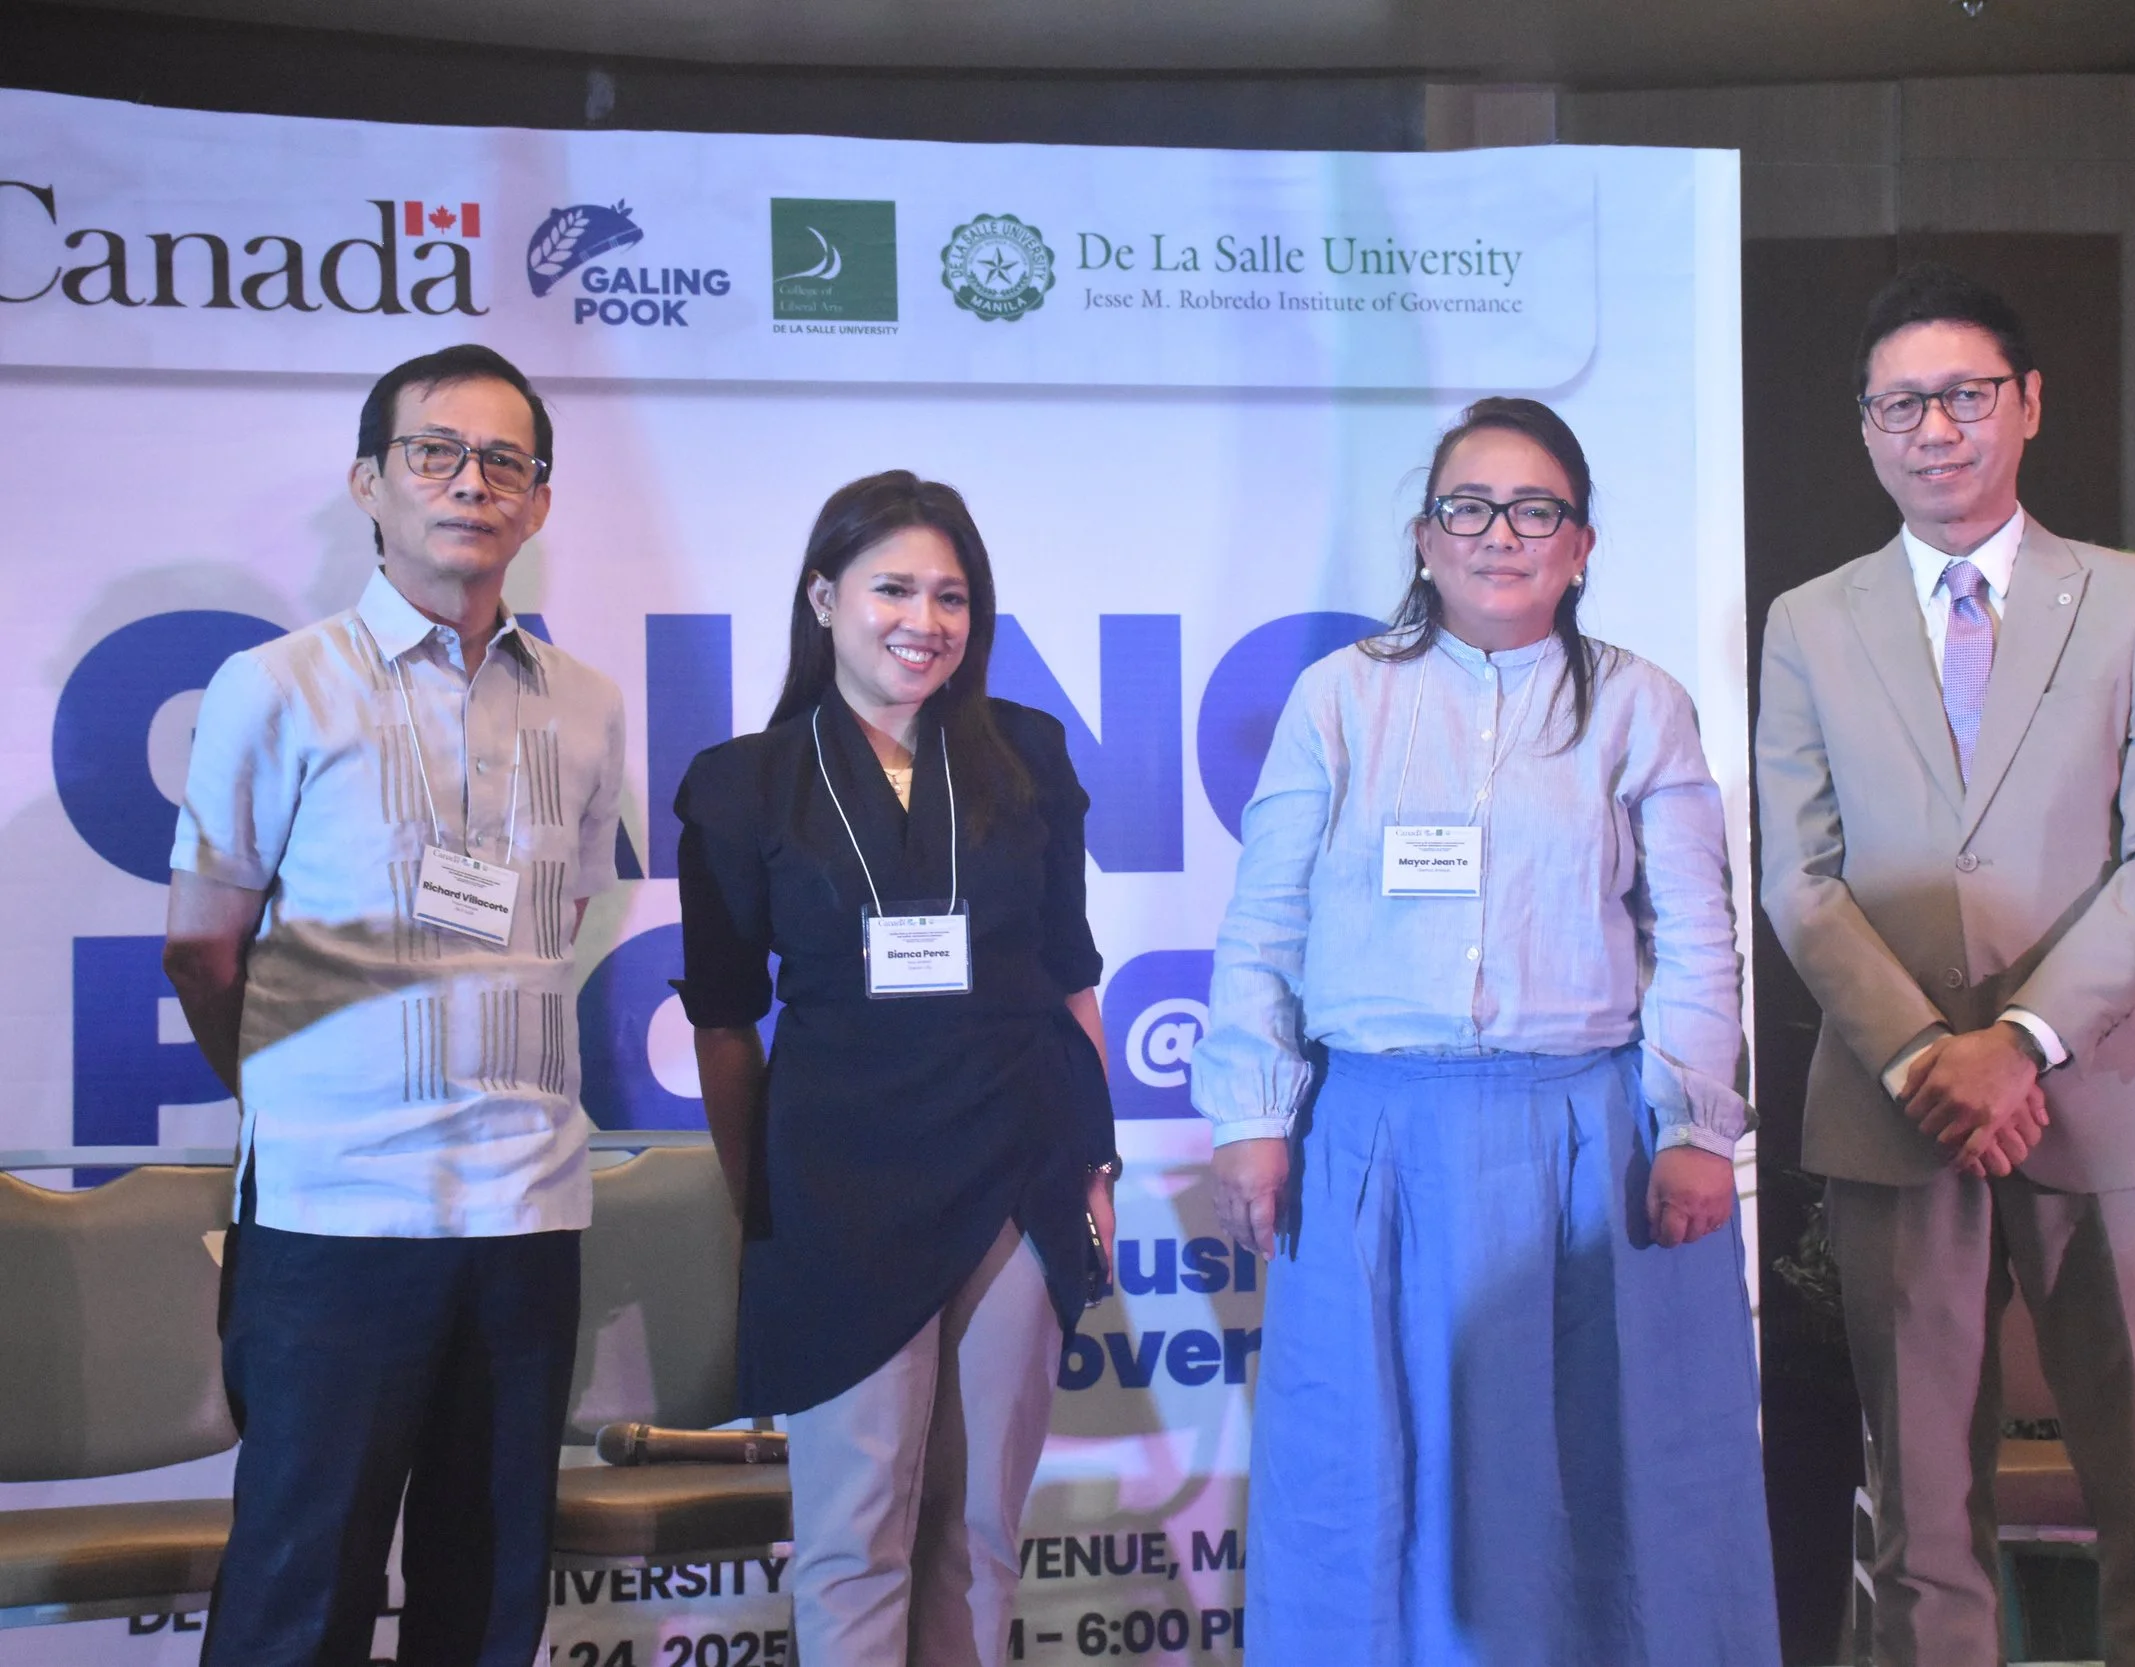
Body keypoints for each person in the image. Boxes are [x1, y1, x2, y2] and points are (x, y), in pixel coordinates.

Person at [1193, 397, 1779, 1666]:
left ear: (1580, 544)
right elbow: (1266, 921)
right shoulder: (1337, 700)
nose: (1498, 534)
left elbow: (1696, 932)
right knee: (1360, 1469)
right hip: (1372, 1138)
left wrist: (1694, 1122)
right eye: (1468, 507)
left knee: (1598, 1472)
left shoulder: (1641, 705)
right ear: (1423, 537)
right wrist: (1250, 1111)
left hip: (1583, 1142)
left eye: (1534, 510)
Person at [1754, 264, 2135, 1665]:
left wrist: (2017, 1041)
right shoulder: (1809, 620)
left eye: (1964, 395)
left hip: (2105, 1101)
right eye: (1900, 404)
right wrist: (1925, 1054)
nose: (1935, 429)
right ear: (1866, 427)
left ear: (2027, 403)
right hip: (1895, 1112)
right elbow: (1799, 876)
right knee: (1923, 1529)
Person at [163, 344, 627, 1666]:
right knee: (300, 1592)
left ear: (539, 502)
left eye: (504, 461)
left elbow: (557, 928)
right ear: (370, 481)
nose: (470, 482)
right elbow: (202, 948)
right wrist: (300, 1095)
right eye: (436, 452)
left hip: (526, 1211)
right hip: (337, 1214)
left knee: (487, 1595)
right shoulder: (276, 686)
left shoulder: (588, 705)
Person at [672, 470, 1117, 1667]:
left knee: (978, 1530)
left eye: (951, 596)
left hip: (1019, 1167)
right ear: (824, 597)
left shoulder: (1026, 754)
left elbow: (1070, 975)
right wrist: (761, 1197)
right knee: (854, 1531)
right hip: (837, 1192)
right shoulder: (742, 783)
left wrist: (1096, 1164)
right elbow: (723, 1022)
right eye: (893, 589)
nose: (925, 620)